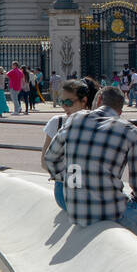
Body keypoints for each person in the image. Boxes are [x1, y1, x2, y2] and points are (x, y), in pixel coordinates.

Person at [44, 85, 137, 272]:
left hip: (75, 206)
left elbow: (50, 159)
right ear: (120, 111)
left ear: (98, 101)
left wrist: (71, 178)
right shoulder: (130, 131)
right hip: (111, 209)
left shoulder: (73, 120)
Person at [42, 77, 96, 209]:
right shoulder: (57, 122)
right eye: (62, 102)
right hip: (66, 187)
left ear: (84, 101)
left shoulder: (97, 122)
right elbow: (44, 162)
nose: (64, 106)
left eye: (68, 102)